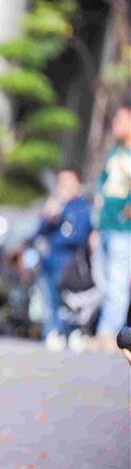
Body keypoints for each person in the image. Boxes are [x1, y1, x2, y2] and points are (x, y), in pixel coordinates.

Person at [30, 169, 91, 350]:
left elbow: (77, 236)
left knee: (68, 303)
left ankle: (69, 333)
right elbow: (38, 233)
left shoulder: (81, 207)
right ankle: (51, 333)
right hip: (48, 262)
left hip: (68, 264)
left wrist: (56, 235)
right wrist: (48, 218)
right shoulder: (54, 205)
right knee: (49, 302)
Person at [92, 97, 131, 352]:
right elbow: (101, 187)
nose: (115, 124)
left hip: (123, 230)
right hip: (105, 225)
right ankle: (104, 330)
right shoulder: (113, 152)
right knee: (103, 282)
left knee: (118, 282)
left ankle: (109, 334)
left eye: (120, 119)